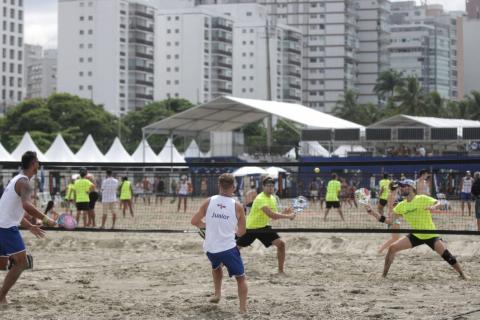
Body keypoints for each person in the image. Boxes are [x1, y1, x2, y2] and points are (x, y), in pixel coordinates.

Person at [365, 179, 466, 279]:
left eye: (404, 186)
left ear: (411, 187)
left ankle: (462, 274)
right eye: (401, 187)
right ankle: (383, 276)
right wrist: (373, 213)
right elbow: (389, 221)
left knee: (446, 255)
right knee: (392, 248)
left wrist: (435, 207)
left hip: (430, 234)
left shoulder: (421, 198)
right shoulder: (401, 205)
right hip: (416, 234)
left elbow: (440, 203)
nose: (401, 188)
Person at [0, 151, 56, 305]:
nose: (39, 164)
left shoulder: (16, 180)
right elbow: (26, 205)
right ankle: (1, 297)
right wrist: (46, 218)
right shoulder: (25, 183)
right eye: (37, 161)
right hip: (5, 228)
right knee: (22, 263)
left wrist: (30, 226)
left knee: (2, 264)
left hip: (2, 224)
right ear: (33, 164)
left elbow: (10, 210)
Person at [191, 173, 247, 314]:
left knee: (216, 267)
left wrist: (208, 227)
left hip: (210, 249)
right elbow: (242, 232)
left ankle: (217, 294)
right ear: (233, 187)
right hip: (228, 248)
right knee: (241, 278)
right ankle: (242, 310)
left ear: (219, 186)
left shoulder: (208, 201)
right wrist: (232, 233)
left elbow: (195, 222)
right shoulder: (238, 206)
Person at [236, 176, 295, 274]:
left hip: (264, 227)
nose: (270, 187)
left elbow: (274, 215)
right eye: (268, 186)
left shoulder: (273, 198)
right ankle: (220, 264)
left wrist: (285, 212)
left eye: (272, 185)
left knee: (281, 244)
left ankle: (281, 271)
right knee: (236, 248)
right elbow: (271, 215)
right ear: (263, 187)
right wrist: (288, 216)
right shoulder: (260, 198)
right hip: (252, 228)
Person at [377, 181, 401, 254]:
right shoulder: (391, 195)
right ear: (396, 187)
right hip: (393, 217)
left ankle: (384, 249)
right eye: (399, 187)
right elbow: (391, 207)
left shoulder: (393, 195)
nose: (400, 188)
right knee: (395, 238)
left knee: (396, 238)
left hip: (394, 216)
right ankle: (381, 249)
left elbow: (391, 207)